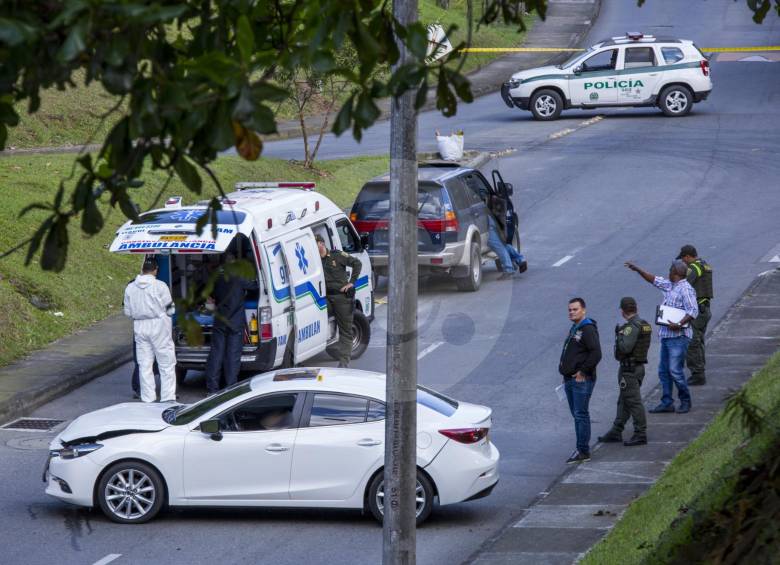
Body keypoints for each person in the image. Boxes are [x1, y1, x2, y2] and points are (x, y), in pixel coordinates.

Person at [625, 260, 698, 414]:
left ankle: (685, 401)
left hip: (678, 337)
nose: (668, 272)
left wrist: (678, 324)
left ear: (677, 273)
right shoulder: (671, 285)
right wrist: (638, 269)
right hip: (666, 335)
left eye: (670, 270)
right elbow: (654, 279)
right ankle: (667, 402)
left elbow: (693, 311)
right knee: (663, 371)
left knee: (675, 370)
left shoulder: (685, 289)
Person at [598, 297, 652, 446]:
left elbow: (625, 348)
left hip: (629, 369)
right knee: (624, 401)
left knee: (633, 402)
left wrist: (619, 335)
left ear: (622, 311)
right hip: (637, 367)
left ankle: (640, 433)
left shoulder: (630, 327)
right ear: (636, 308)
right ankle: (616, 430)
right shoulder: (644, 324)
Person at [123, 256, 177, 403]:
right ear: (155, 270)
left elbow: (127, 312)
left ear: (142, 270)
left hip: (139, 327)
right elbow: (170, 309)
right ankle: (167, 398)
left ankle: (148, 399)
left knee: (144, 365)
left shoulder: (130, 287)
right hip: (158, 326)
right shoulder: (160, 286)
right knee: (166, 364)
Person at [205, 253, 259, 395]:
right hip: (235, 322)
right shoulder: (240, 278)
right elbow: (255, 286)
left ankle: (212, 389)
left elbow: (209, 295)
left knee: (216, 354)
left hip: (220, 321)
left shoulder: (216, 277)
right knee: (232, 356)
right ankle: (230, 389)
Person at [558, 297, 602, 464]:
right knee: (577, 415)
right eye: (569, 310)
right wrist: (565, 375)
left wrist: (582, 372)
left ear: (583, 310)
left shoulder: (587, 329)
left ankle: (583, 450)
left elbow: (596, 353)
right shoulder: (575, 327)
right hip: (570, 379)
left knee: (580, 414)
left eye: (575, 309)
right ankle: (581, 448)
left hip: (581, 380)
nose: (571, 312)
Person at [317, 234, 362, 368]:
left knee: (345, 331)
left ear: (322, 243)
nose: (314, 247)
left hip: (341, 298)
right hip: (325, 298)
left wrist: (352, 283)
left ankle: (343, 364)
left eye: (315, 243)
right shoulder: (315, 261)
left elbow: (357, 263)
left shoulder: (337, 255)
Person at [678, 245, 713, 385]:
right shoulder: (705, 265)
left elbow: (683, 284)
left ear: (687, 256)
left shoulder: (694, 268)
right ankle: (700, 370)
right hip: (704, 309)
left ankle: (698, 374)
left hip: (698, 311)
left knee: (693, 343)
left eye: (683, 259)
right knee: (699, 342)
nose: (683, 262)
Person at [487, 214, 527, 280]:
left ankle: (509, 269)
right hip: (497, 217)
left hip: (492, 216)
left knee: (495, 243)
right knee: (501, 244)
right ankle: (520, 259)